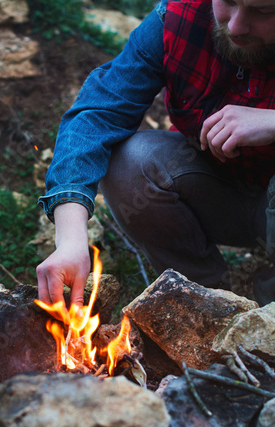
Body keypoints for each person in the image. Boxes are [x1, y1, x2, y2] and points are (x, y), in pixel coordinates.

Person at [36, 0, 275, 310]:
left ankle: (268, 326)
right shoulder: (177, 17)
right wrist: (70, 239)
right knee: (131, 161)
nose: (235, 26)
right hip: (217, 194)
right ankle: (205, 303)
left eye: (264, 11)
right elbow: (97, 114)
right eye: (228, 2)